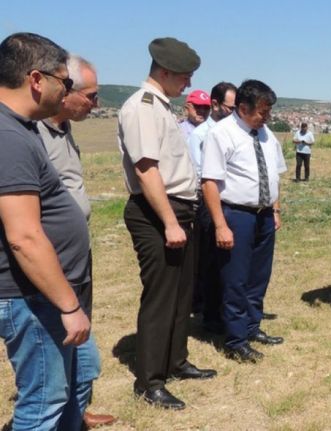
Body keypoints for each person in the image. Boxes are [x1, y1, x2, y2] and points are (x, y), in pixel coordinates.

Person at [118, 37, 216, 411]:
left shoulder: (160, 107)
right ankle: (150, 381)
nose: (188, 85)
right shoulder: (143, 108)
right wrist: (170, 222)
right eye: (185, 77)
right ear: (164, 72)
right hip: (157, 212)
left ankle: (175, 361)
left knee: (181, 294)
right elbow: (146, 169)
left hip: (177, 212)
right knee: (160, 297)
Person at [0, 32, 91, 430]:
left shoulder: (20, 128)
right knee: (42, 402)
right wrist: (68, 307)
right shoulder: (9, 138)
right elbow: (24, 236)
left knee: (81, 372)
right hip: (30, 297)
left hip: (43, 293)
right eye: (65, 82)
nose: (67, 91)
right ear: (37, 80)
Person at [37, 55, 116, 430]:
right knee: (56, 369)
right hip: (50, 266)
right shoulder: (29, 135)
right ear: (64, 90)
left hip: (76, 261)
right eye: (90, 96)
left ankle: (76, 416)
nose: (95, 104)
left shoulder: (64, 129)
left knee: (83, 359)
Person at [201, 79, 286, 363]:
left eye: (269, 111)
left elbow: (273, 174)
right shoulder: (221, 134)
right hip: (236, 215)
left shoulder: (266, 134)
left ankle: (252, 327)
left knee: (258, 277)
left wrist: (275, 209)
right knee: (235, 279)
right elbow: (210, 182)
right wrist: (220, 225)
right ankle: (235, 339)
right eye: (262, 111)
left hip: (263, 216)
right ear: (242, 108)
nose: (267, 117)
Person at [187, 81, 237, 330]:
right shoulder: (200, 135)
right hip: (210, 201)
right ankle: (211, 314)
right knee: (210, 260)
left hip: (233, 202)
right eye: (230, 107)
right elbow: (201, 174)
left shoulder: (235, 131)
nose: (234, 112)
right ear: (215, 104)